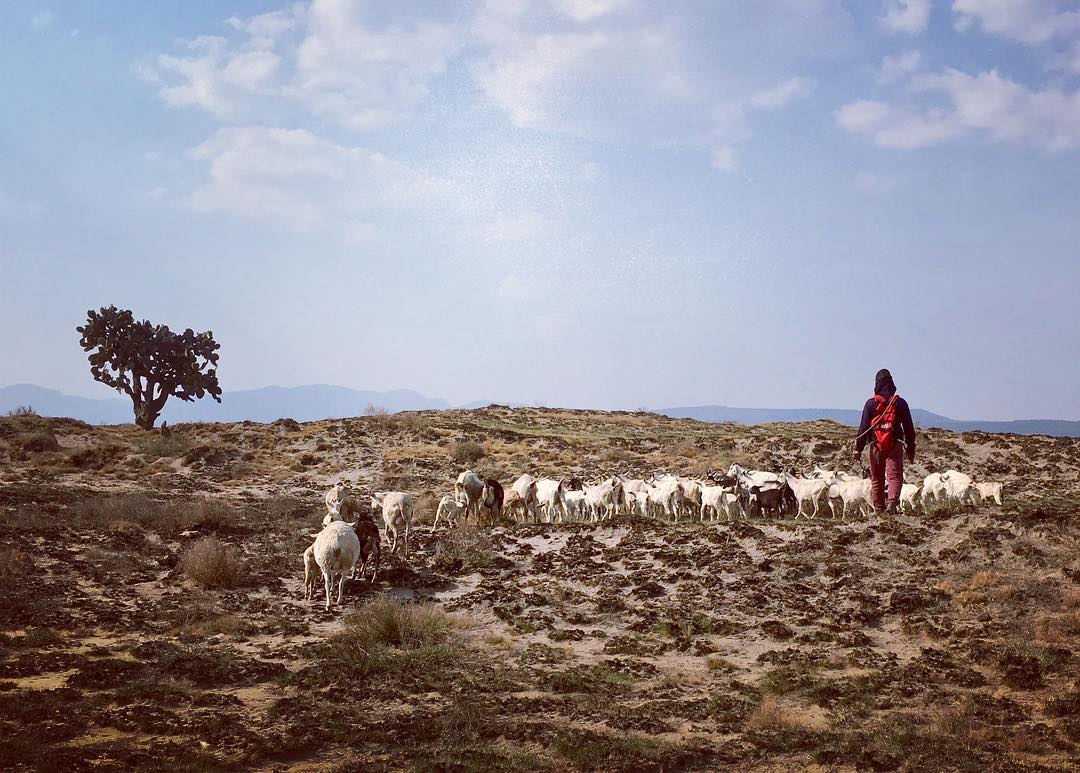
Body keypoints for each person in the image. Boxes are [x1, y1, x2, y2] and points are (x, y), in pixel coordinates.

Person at [854, 369, 916, 514]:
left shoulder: (871, 403)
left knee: (877, 479)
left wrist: (858, 448)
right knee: (894, 476)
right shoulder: (900, 403)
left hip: (875, 445)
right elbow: (909, 428)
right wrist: (911, 448)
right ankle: (892, 503)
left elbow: (864, 427)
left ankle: (879, 510)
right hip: (895, 444)